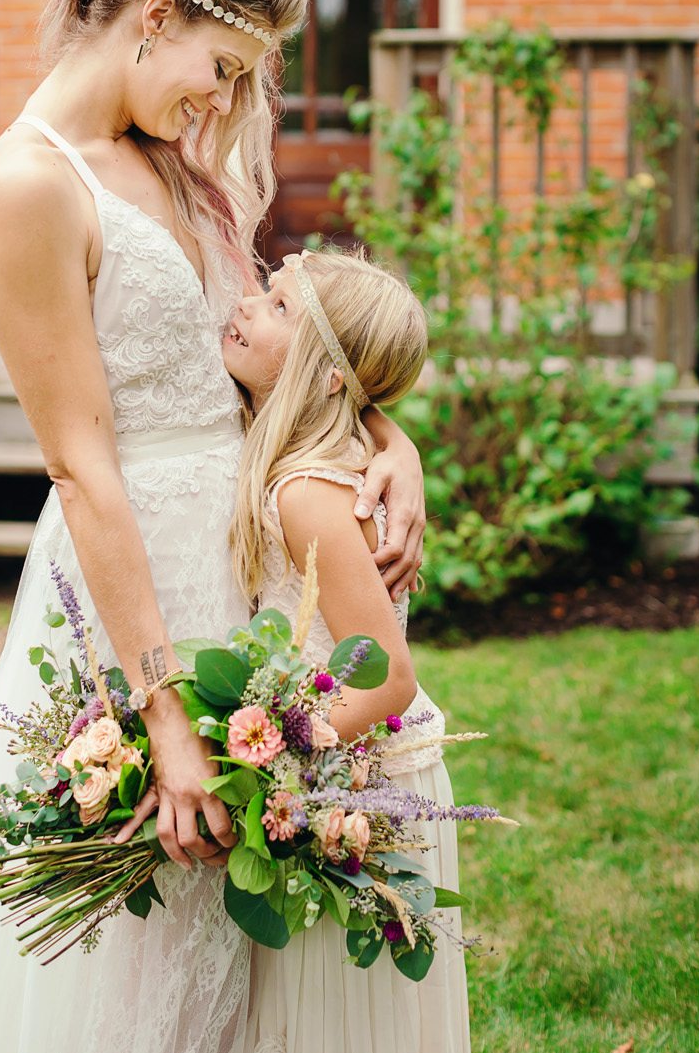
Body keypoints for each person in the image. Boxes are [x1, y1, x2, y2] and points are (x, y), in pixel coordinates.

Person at [0, 0, 427, 1053]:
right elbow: (78, 461)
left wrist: (392, 450)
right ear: (155, 17)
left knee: (228, 916)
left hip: (244, 574)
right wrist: (161, 710)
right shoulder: (26, 186)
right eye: (224, 66)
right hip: (125, 588)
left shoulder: (185, 168)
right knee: (120, 925)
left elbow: (284, 355)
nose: (225, 100)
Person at [221, 249, 470, 1053]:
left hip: (364, 776)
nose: (250, 306)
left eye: (280, 307)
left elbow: (391, 677)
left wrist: (274, 765)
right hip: (353, 761)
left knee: (335, 1020)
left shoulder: (309, 495)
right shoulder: (312, 460)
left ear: (329, 377)